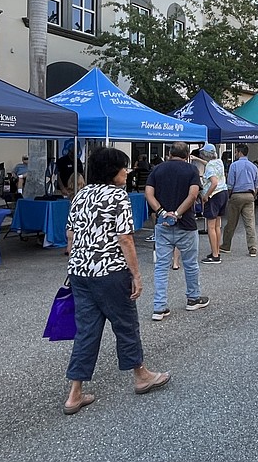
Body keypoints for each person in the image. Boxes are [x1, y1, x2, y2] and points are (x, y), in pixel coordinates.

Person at [62, 146, 170, 414]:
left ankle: (74, 392)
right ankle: (141, 375)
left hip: (80, 272)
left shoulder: (80, 195)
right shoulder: (118, 197)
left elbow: (71, 235)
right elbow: (125, 238)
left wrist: (79, 260)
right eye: (124, 167)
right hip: (110, 271)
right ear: (113, 171)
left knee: (86, 331)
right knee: (125, 324)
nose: (127, 171)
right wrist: (136, 273)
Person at [145, 142, 210, 321]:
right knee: (190, 264)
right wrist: (178, 213)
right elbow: (193, 195)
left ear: (169, 153)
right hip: (186, 224)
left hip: (162, 224)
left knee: (161, 267)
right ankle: (193, 298)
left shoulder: (157, 170)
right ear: (187, 155)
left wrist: (162, 212)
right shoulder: (191, 171)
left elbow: (149, 193)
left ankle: (159, 307)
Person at [221, 143, 258, 257]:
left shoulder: (234, 165)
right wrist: (253, 195)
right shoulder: (253, 166)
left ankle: (226, 245)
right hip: (249, 195)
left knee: (231, 223)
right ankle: (252, 247)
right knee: (250, 223)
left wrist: (230, 196)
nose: (235, 154)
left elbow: (230, 184)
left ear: (239, 152)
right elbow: (256, 184)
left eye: (236, 152)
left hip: (237, 195)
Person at [199, 143, 228, 264]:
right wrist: (197, 159)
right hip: (224, 193)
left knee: (211, 226)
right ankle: (217, 251)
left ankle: (215, 256)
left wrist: (206, 196)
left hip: (214, 195)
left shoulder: (210, 166)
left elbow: (214, 182)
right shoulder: (219, 162)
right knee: (217, 226)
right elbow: (209, 164)